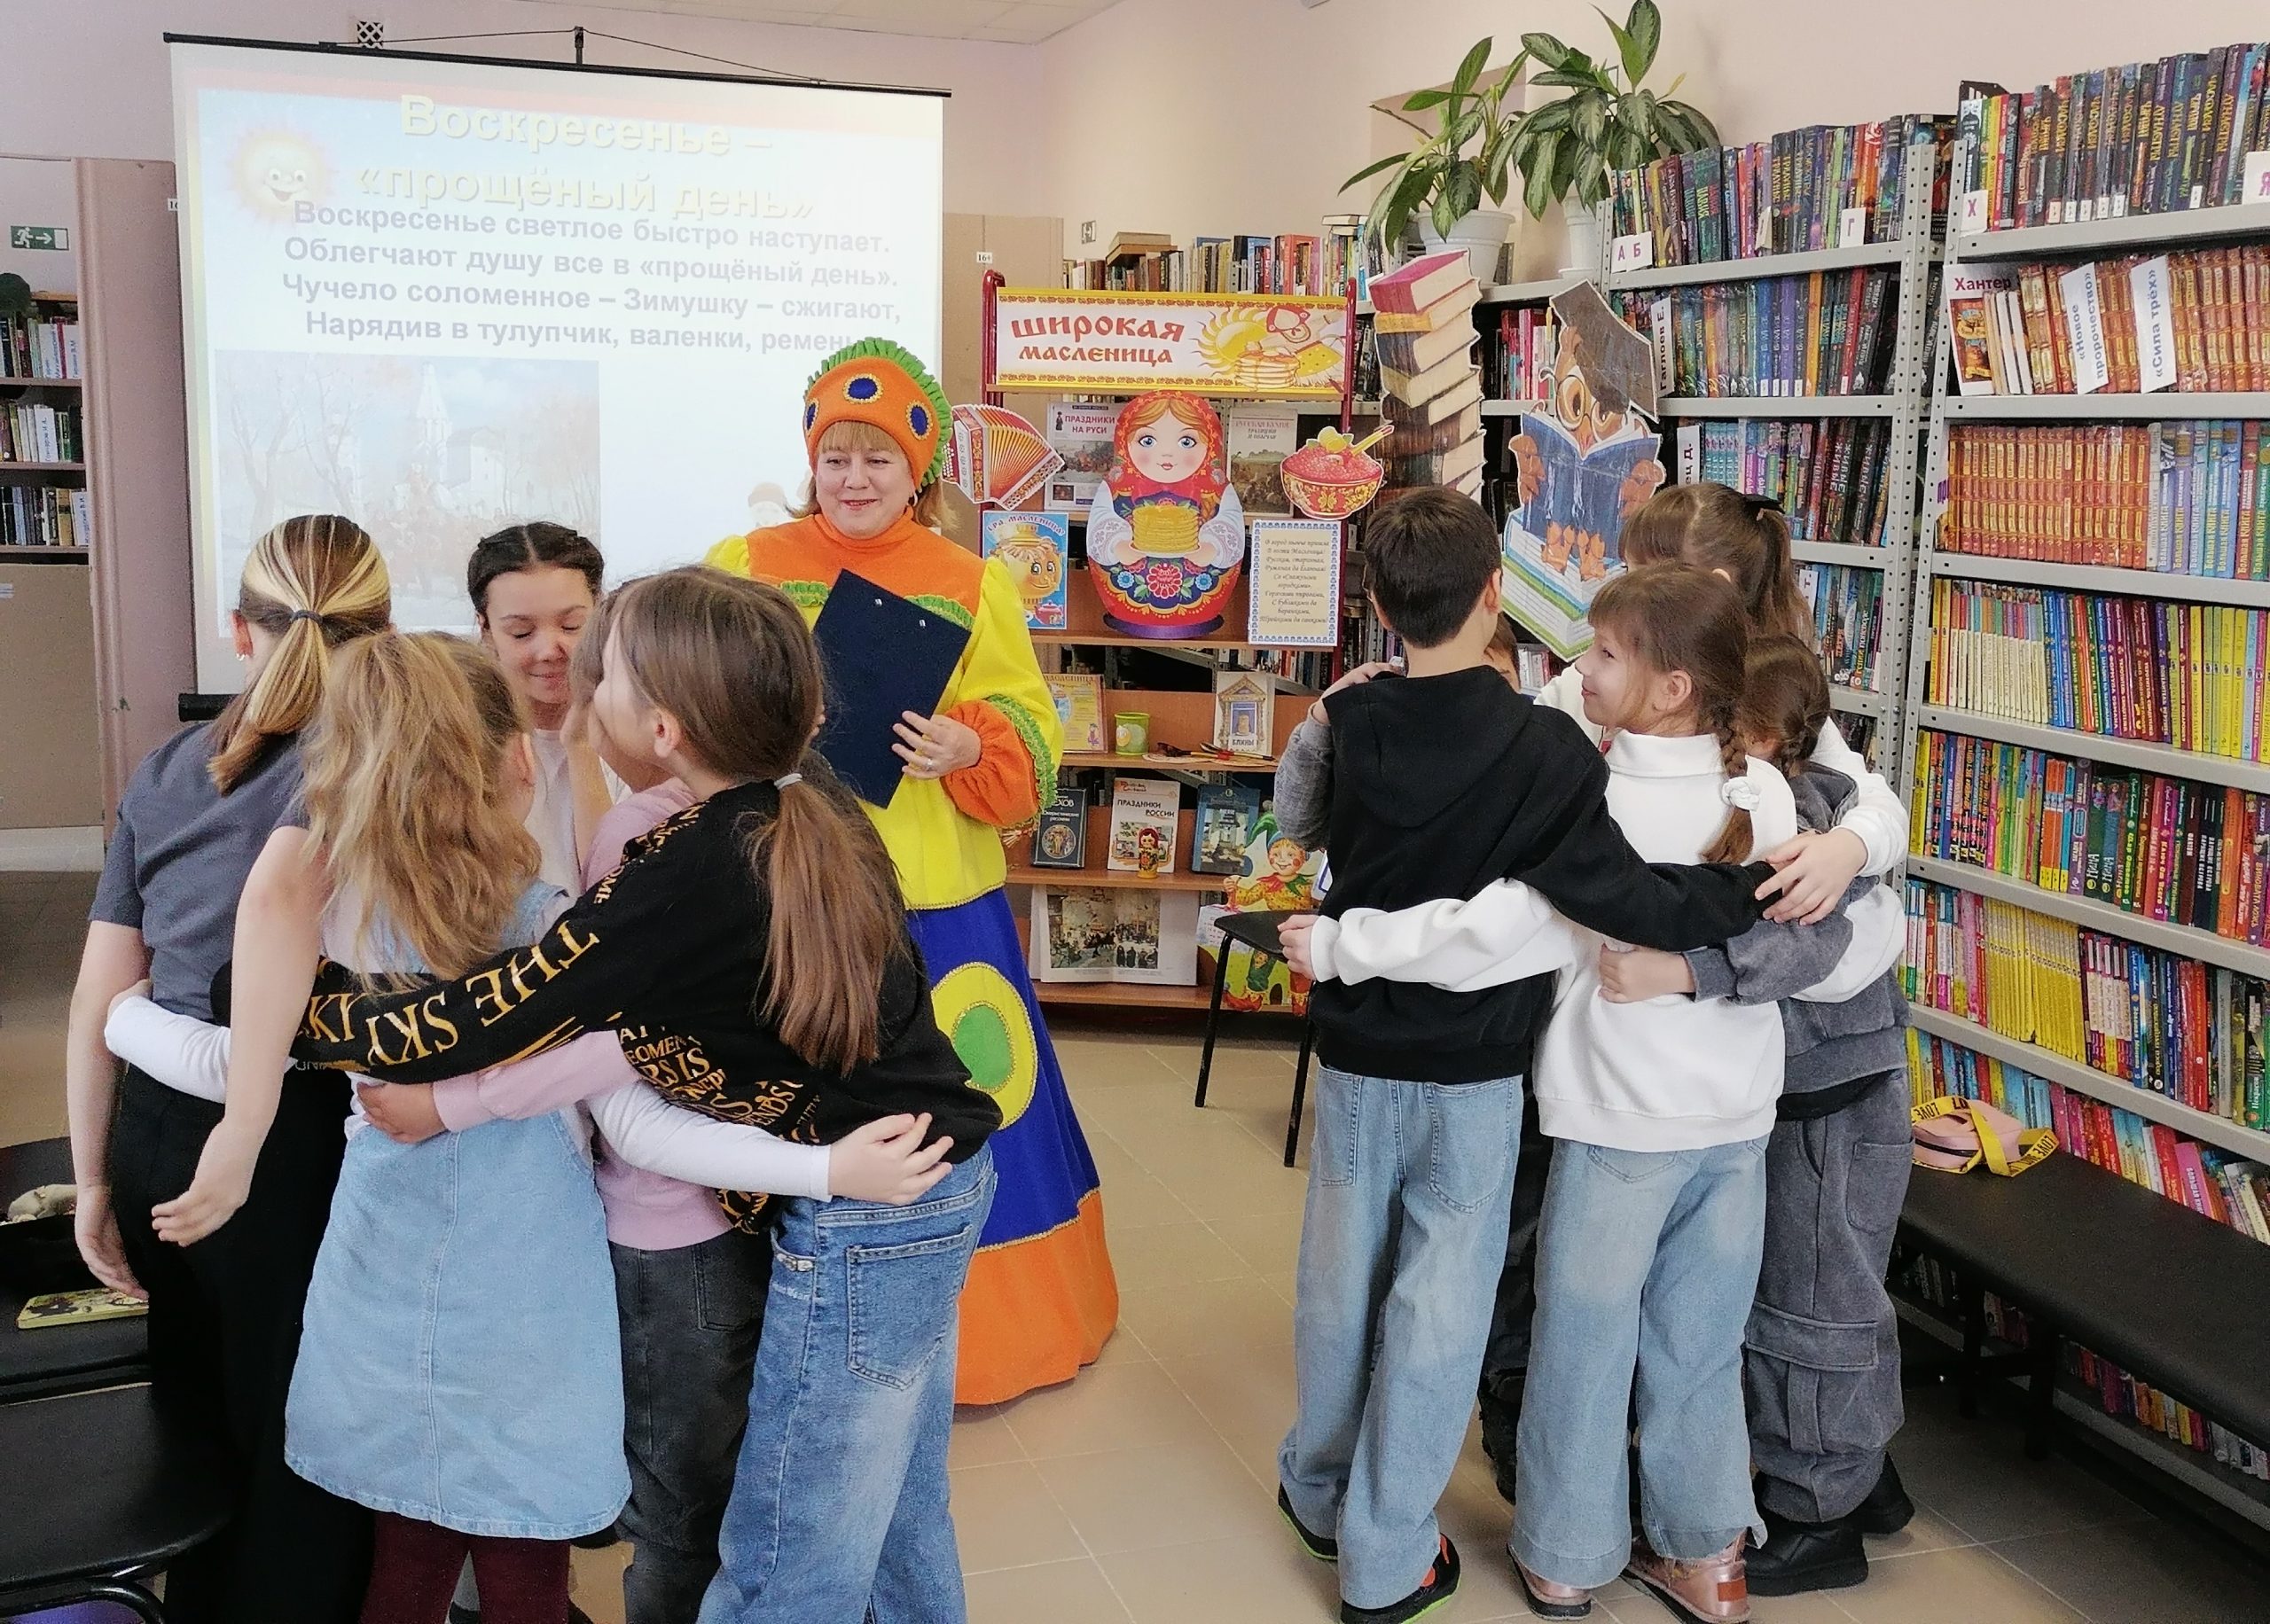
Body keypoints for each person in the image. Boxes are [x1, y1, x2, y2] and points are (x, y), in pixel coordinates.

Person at [221, 567, 1000, 1624]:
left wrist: (303, 1020)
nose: (580, 690)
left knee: (790, 1545)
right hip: (929, 1176)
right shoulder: (798, 797)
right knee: (895, 1512)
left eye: (607, 675)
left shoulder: (684, 871)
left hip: (878, 1201)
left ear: (664, 728)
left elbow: (488, 1016)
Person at [1269, 493, 1777, 1624]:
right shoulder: (1546, 746)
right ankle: (1386, 1555)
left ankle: (1318, 1486)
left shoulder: (1353, 719)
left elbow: (1302, 828)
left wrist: (1326, 729)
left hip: (1353, 1055)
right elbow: (1616, 893)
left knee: (1337, 1282)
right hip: (1475, 1071)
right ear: (1496, 592)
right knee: (1440, 1308)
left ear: (1374, 604)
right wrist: (1744, 892)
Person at [1469, 480, 1914, 1503]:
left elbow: (1860, 845)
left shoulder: (1767, 719)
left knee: (1703, 1296)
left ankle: (1742, 1494)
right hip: (1643, 1068)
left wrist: (1846, 847)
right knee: (1630, 1291)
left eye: (1643, 574)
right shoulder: (1611, 691)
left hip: (1719, 1076)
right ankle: (1643, 1492)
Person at [705, 337, 1115, 1404]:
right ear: (810, 460)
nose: (854, 478)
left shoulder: (973, 581)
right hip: (787, 888)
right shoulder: (744, 561)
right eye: (836, 457)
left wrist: (972, 741)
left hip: (936, 906)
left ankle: (981, 1337)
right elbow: (694, 691)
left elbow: (1030, 721)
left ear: (917, 469)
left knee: (969, 1091)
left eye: (877, 458)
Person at [63, 513, 389, 1623]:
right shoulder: (371, 765)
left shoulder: (163, 768)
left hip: (157, 1129)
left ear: (237, 632)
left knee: (195, 1411)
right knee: (306, 1421)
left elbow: (100, 996)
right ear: (385, 632)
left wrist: (93, 1179)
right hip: (293, 1132)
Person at [1592, 636, 1916, 1597]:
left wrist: (1684, 972)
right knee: (1824, 1285)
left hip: (1832, 1091)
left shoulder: (1800, 811)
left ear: (1764, 731)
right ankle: (1861, 1474)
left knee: (1810, 1300)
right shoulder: (1801, 792)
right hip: (1823, 1081)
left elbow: (1802, 947)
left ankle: (1820, 1513)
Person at [467, 520, 614, 892]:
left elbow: (617, 888)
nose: (550, 651)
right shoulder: (464, 742)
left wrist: (581, 749)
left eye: (572, 626)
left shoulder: (641, 732)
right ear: (485, 629)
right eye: (522, 633)